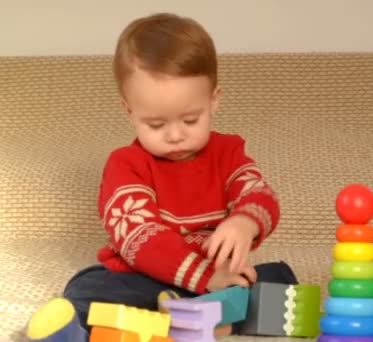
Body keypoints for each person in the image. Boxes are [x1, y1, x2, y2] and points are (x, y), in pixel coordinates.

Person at [26, 12, 297, 340]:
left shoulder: (228, 154)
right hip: (144, 278)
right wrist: (203, 277)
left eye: (190, 120)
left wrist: (244, 222)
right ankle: (97, 328)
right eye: (156, 124)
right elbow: (140, 239)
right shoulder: (126, 164)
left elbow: (260, 195)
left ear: (213, 101)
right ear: (130, 111)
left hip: (216, 282)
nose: (175, 136)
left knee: (279, 279)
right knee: (87, 288)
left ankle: (184, 318)